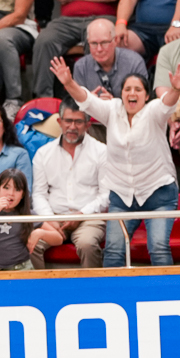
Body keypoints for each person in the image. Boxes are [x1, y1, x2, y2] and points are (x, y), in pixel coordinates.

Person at [62, 63, 180, 267]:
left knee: (158, 248)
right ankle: (113, 298)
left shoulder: (154, 111)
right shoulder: (112, 109)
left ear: (145, 96)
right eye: (127, 89)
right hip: (122, 196)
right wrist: (68, 82)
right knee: (114, 251)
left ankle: (166, 297)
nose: (132, 93)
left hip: (158, 193)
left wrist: (177, 89)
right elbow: (86, 100)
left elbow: (167, 103)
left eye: (138, 89)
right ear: (121, 94)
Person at [30, 99, 109, 265]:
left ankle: (92, 291)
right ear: (59, 122)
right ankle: (40, 290)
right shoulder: (43, 154)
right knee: (32, 243)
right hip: (54, 216)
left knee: (87, 244)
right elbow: (38, 194)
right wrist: (49, 219)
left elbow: (106, 195)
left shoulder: (101, 151)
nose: (72, 127)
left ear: (88, 125)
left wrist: (82, 214)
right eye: (68, 121)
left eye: (78, 121)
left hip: (89, 218)